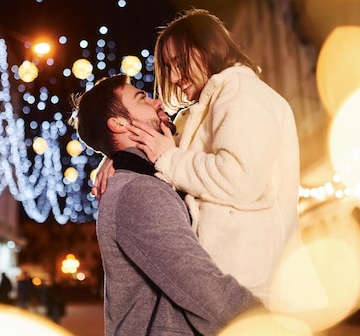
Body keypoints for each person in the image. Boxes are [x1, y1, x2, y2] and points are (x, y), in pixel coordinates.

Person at [93, 9, 302, 309]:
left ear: (209, 49)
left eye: (180, 62)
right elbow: (169, 150)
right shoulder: (203, 107)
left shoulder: (243, 94)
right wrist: (119, 157)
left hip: (256, 289)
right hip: (231, 289)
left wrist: (168, 157)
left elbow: (239, 179)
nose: (175, 77)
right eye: (168, 66)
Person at [70, 75, 261, 336]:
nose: (157, 101)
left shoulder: (140, 180)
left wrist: (117, 157)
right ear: (119, 123)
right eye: (142, 98)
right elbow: (198, 283)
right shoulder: (139, 191)